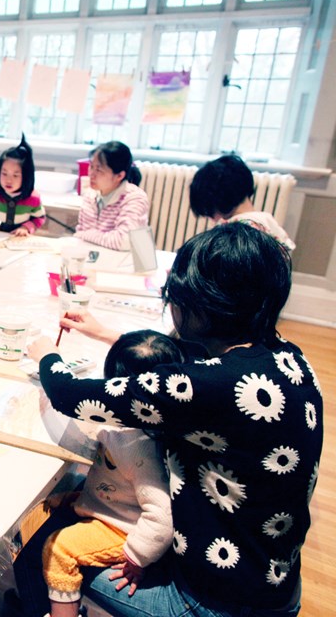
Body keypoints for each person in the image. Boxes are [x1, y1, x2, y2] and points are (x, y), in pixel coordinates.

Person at [25, 222, 320, 616]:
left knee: (44, 553)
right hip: (272, 582)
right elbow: (180, 365)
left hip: (214, 601)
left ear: (200, 306)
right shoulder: (288, 358)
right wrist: (108, 334)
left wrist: (46, 354)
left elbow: (70, 395)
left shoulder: (208, 385)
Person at [37, 330, 179, 617]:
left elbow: (163, 516)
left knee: (58, 549)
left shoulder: (137, 447)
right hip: (116, 502)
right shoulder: (152, 425)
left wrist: (137, 557)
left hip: (124, 527)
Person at [190, 154, 295, 250]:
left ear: (218, 202)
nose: (212, 219)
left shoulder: (237, 233)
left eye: (209, 212)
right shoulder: (266, 220)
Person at [74, 141, 148, 251]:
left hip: (128, 263)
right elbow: (82, 237)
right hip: (99, 260)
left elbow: (124, 241)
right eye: (91, 166)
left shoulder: (135, 197)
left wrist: (85, 234)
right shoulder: (90, 195)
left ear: (119, 175)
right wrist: (84, 235)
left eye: (99, 170)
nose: (91, 174)